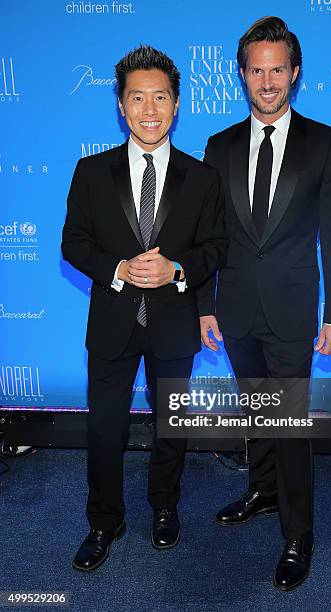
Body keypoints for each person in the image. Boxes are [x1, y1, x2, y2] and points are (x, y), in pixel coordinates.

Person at [199, 16, 331, 591]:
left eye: (278, 70)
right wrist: (204, 305)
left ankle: (298, 533)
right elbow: (208, 235)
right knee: (257, 411)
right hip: (234, 308)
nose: (268, 81)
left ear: (295, 73)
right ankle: (262, 491)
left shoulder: (325, 143)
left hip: (292, 311)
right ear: (242, 74)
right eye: (257, 70)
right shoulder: (219, 146)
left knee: (288, 422)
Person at [62, 45, 226, 571]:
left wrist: (177, 269)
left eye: (160, 97)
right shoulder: (91, 171)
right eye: (138, 98)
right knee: (104, 428)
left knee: (170, 428)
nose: (149, 109)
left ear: (176, 105)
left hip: (174, 327)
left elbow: (215, 247)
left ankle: (164, 509)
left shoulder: (201, 177)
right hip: (112, 324)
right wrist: (118, 269)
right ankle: (103, 521)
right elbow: (74, 243)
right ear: (121, 105)